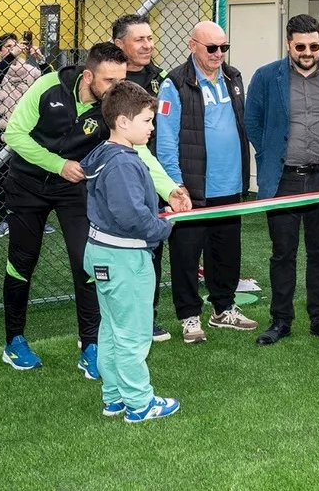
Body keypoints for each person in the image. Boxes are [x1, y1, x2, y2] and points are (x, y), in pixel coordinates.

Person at [1, 42, 185, 374]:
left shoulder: (113, 107)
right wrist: (57, 164)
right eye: (109, 81)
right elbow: (14, 133)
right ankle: (14, 340)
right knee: (21, 262)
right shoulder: (47, 86)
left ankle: (90, 347)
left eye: (122, 79)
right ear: (88, 75)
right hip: (27, 185)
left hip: (74, 190)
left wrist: (170, 189)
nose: (117, 89)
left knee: (86, 262)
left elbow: (138, 151)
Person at [245, 14, 319, 346]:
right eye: (301, 46)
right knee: (282, 252)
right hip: (284, 180)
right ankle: (280, 320)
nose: (308, 52)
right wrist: (272, 152)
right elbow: (252, 122)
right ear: (288, 44)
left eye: (315, 45)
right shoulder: (265, 77)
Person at [80, 81, 179, 422]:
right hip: (124, 258)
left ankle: (114, 397)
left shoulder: (109, 156)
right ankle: (139, 403)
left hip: (104, 254)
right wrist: (162, 227)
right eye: (147, 120)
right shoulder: (122, 163)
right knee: (133, 334)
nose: (152, 127)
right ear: (122, 122)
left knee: (111, 329)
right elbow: (131, 215)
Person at [157, 21, 259, 344]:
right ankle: (189, 315)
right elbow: (165, 140)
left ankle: (223, 308)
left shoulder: (235, 78)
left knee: (227, 251)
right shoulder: (174, 84)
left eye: (223, 47)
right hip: (194, 189)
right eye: (211, 47)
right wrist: (175, 185)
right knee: (186, 255)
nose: (218, 54)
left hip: (230, 187)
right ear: (193, 46)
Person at [111, 13, 179, 343]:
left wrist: (169, 183)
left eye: (150, 38)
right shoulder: (106, 80)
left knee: (152, 249)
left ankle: (147, 317)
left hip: (150, 174)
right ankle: (102, 323)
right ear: (118, 44)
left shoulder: (163, 79)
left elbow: (162, 137)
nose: (148, 45)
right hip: (114, 175)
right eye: (139, 39)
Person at [0, 33, 42, 239]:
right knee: (4, 174)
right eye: (7, 46)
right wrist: (11, 56)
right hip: (1, 132)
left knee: (32, 173)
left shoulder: (30, 72)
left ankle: (31, 214)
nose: (13, 49)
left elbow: (51, 80)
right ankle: (2, 219)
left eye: (15, 46)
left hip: (27, 131)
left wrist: (39, 58)